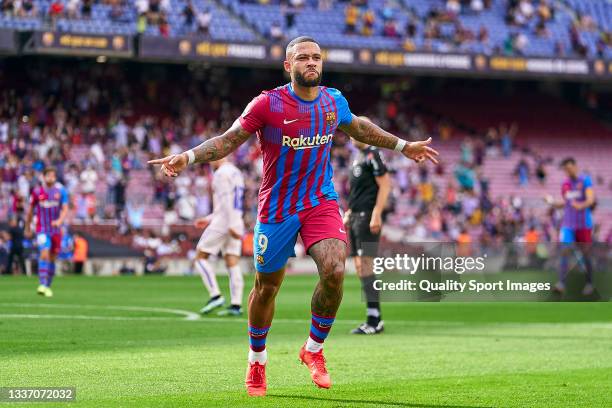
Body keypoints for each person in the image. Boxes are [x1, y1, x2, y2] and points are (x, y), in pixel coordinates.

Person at [148, 36, 438, 397]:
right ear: (289, 66)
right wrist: (187, 157)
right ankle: (257, 360)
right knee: (266, 287)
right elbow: (228, 140)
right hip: (277, 208)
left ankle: (313, 350)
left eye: (316, 57)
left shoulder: (333, 101)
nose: (311, 62)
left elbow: (360, 127)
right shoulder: (267, 104)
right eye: (303, 58)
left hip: (320, 201)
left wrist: (403, 146)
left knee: (334, 271)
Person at [343, 117, 391, 335]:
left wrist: (377, 214)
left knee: (367, 265)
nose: (352, 135)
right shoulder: (357, 157)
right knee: (361, 267)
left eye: (357, 130)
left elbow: (385, 184)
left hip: (368, 218)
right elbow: (358, 192)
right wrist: (350, 211)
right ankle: (373, 316)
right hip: (356, 217)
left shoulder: (373, 154)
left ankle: (375, 319)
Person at [194, 157, 246, 317]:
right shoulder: (236, 172)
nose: (210, 161)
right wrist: (235, 224)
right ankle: (236, 304)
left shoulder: (220, 174)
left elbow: (226, 201)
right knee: (232, 262)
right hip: (236, 220)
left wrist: (229, 224)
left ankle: (215, 295)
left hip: (224, 222)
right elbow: (234, 202)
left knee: (200, 257)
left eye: (213, 158)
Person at [544, 157, 595, 296]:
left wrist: (581, 205)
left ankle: (590, 283)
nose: (567, 171)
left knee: (586, 255)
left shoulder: (585, 180)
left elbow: (591, 199)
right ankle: (561, 283)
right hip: (568, 224)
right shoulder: (565, 184)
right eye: (565, 169)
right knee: (564, 250)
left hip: (584, 224)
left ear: (575, 166)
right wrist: (551, 202)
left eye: (569, 168)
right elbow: (565, 203)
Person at [25, 167, 69, 297]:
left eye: (53, 176)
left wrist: (60, 220)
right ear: (44, 177)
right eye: (49, 175)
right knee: (44, 253)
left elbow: (65, 208)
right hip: (42, 229)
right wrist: (27, 227)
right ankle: (42, 284)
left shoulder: (61, 191)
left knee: (53, 258)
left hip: (56, 230)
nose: (51, 178)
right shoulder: (37, 192)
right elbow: (30, 210)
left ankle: (48, 286)